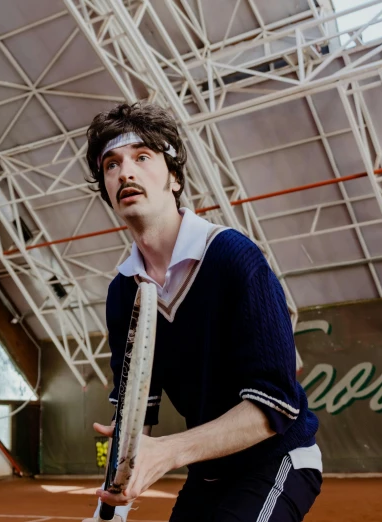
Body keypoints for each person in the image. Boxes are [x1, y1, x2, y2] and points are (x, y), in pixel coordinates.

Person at [81, 102, 322, 522]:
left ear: (174, 177)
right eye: (111, 165)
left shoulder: (232, 257)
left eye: (142, 157)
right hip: (208, 477)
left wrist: (170, 451)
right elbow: (134, 414)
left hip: (279, 460)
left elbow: (275, 407)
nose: (125, 173)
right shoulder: (123, 292)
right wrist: (110, 512)